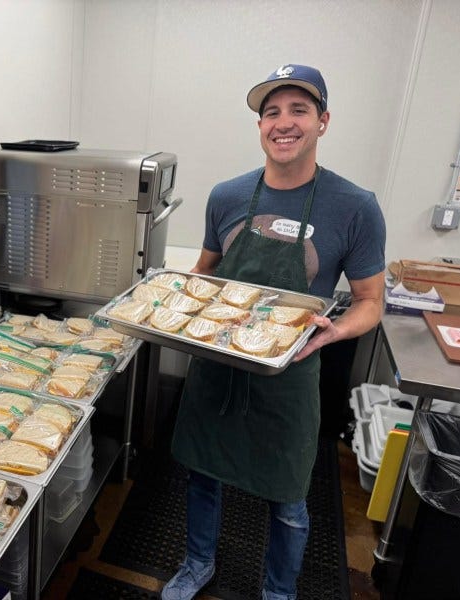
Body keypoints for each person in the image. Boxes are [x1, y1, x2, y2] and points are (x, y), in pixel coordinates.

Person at [162, 64, 386, 600]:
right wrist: (168, 303)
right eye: (271, 112)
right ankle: (198, 564)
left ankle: (279, 591)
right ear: (260, 125)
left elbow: (370, 301)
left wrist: (332, 335)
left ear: (323, 121)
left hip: (288, 376)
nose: (282, 123)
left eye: (298, 110)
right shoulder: (227, 195)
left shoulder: (354, 207)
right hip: (216, 365)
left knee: (288, 498)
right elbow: (206, 271)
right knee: (202, 473)